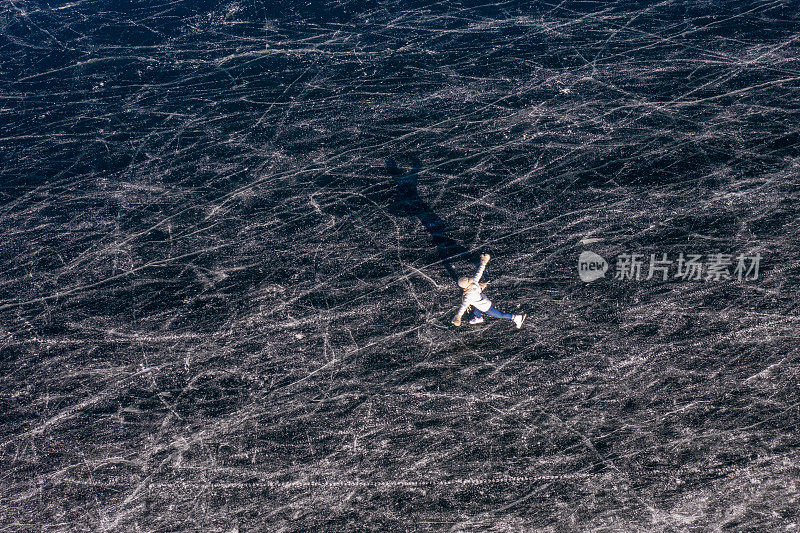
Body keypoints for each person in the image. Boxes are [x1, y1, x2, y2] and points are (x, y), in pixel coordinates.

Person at [451, 253, 526, 329]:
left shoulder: (468, 296)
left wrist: (458, 317)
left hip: (486, 307)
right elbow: (479, 273)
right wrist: (483, 263)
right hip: (483, 301)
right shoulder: (474, 283)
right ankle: (478, 318)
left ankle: (516, 317)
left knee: (500, 315)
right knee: (475, 306)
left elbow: (463, 307)